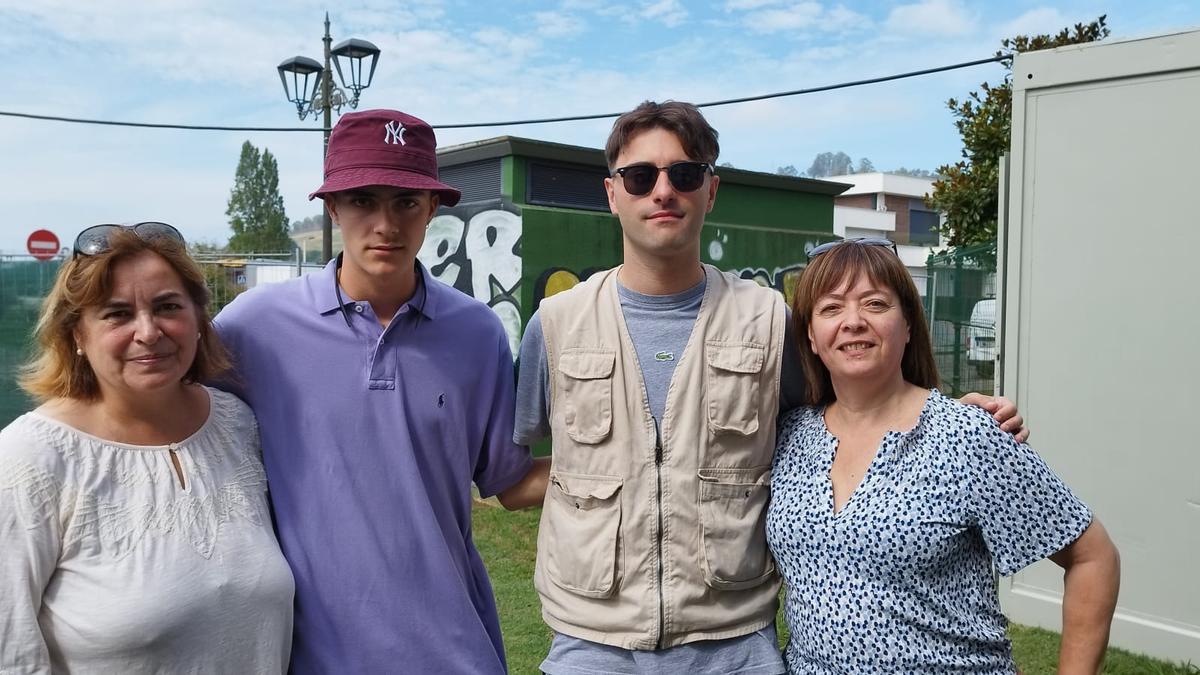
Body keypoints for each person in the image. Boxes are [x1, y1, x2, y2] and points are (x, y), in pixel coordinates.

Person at [514, 101, 1027, 675]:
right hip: (592, 642)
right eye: (640, 176)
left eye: (684, 174)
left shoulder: (768, 320)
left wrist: (943, 420)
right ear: (613, 193)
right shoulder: (555, 324)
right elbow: (514, 474)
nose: (663, 191)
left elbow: (847, 411)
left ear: (710, 191)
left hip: (733, 643)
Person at [213, 109, 548, 674]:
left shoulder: (476, 333)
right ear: (332, 208)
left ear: (433, 210)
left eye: (406, 203)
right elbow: (165, 418)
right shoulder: (252, 328)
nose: (386, 224)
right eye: (364, 201)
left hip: (454, 653)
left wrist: (639, 464)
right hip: (310, 659)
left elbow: (508, 483)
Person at [768, 238, 1120, 673]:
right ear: (811, 334)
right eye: (831, 308)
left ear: (909, 324)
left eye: (875, 304)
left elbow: (1093, 557)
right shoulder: (789, 435)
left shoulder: (966, 435)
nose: (853, 322)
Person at [0, 223, 294, 672]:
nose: (148, 331)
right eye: (117, 314)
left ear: (198, 319)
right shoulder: (31, 458)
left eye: (168, 306)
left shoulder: (237, 424)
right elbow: (11, 649)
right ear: (77, 335)